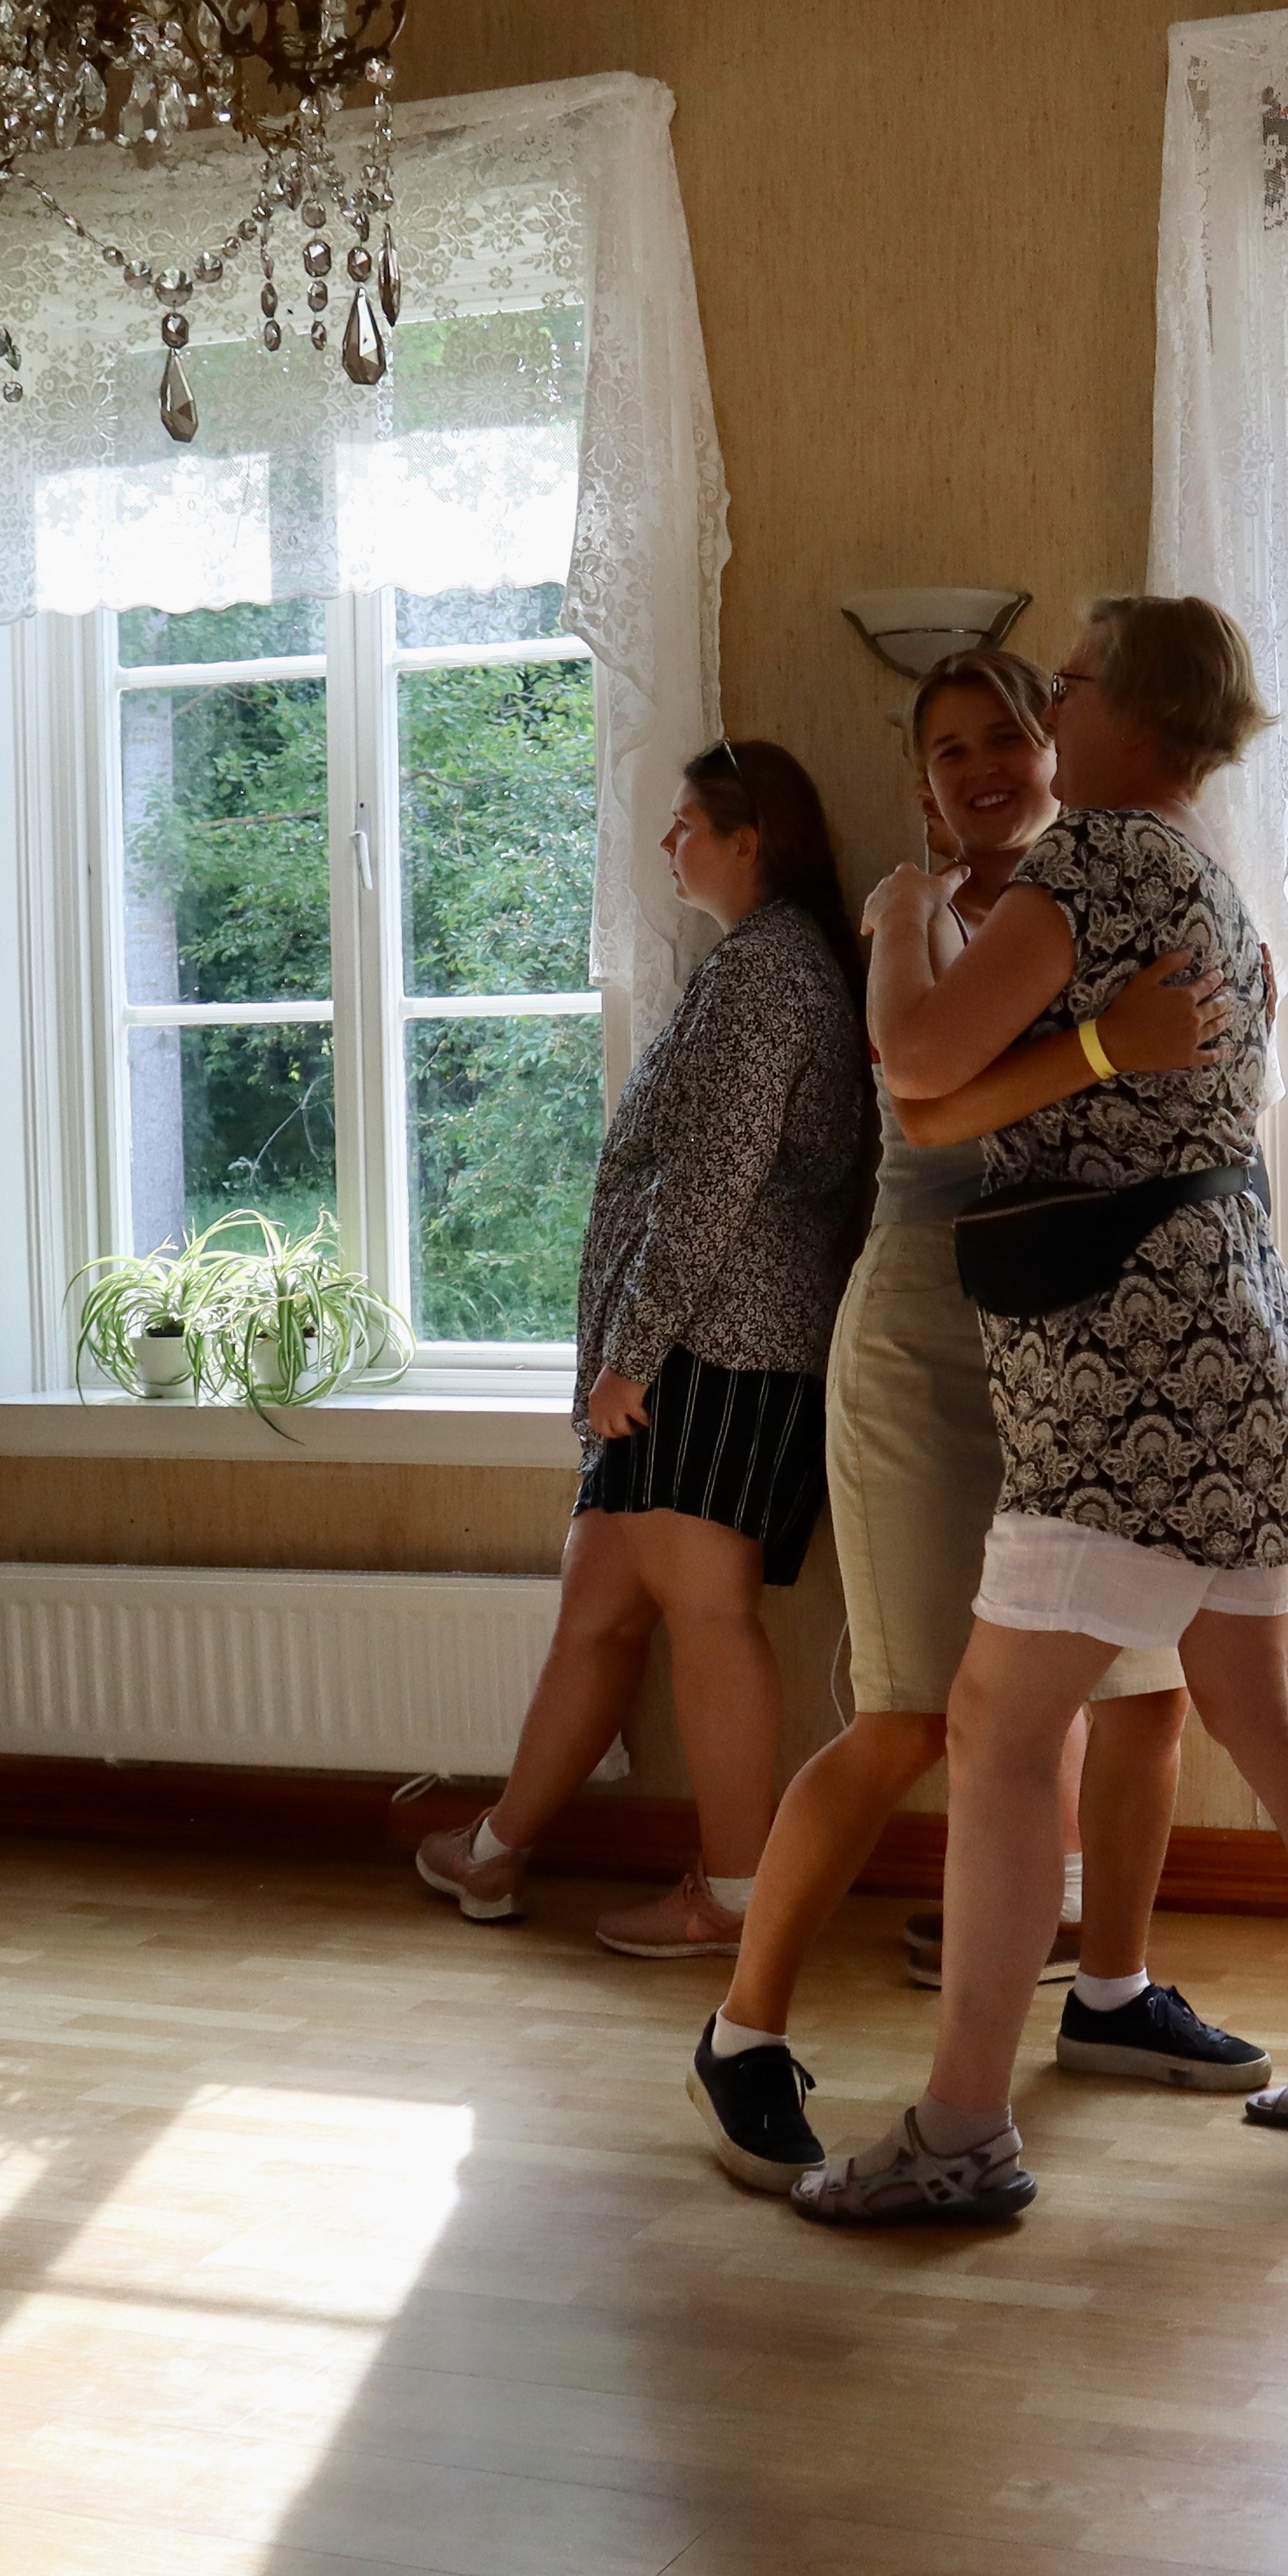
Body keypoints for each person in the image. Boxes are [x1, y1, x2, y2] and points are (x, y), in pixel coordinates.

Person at [786, 594, 1288, 2225]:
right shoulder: (1206, 873)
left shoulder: (1095, 861)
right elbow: (969, 1095)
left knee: (1003, 1730)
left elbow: (915, 1058)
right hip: (1229, 1335)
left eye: (1068, 687)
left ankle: (962, 2129)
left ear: (1134, 715)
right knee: (1265, 1710)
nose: (1051, 712)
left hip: (1126, 1372)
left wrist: (897, 915)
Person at [681, 653, 1259, 2189]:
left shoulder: (1108, 891)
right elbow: (924, 1089)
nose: (985, 765)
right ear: (925, 784)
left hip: (1077, 1345)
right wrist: (1104, 1038)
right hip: (929, 1344)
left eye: (1007, 732)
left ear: (1056, 741)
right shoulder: (918, 913)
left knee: (1146, 1692)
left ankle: (1113, 1993)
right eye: (950, 751)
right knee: (907, 1718)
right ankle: (742, 2033)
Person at [418, 741, 878, 1950]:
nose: (668, 844)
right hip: (700, 1342)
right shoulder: (758, 964)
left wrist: (630, 1353)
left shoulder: (768, 971)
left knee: (706, 1611)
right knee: (601, 1602)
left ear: (748, 839)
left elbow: (711, 1185)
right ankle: (497, 1850)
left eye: (686, 824)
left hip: (719, 1345)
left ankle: (734, 1894)